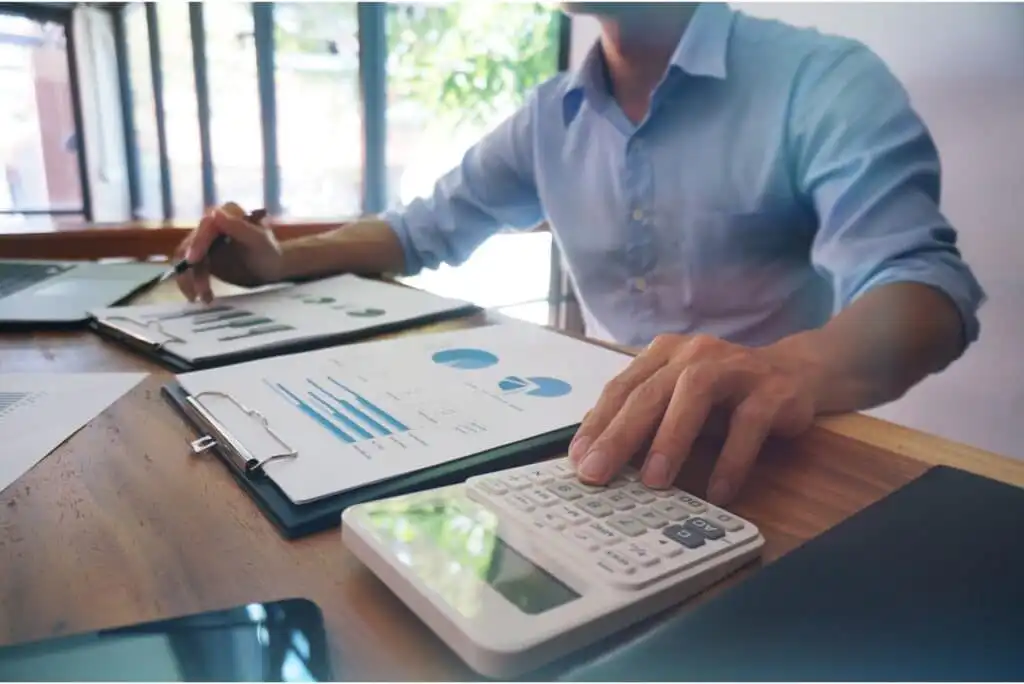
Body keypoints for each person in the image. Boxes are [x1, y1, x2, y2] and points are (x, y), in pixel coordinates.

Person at [175, 3, 984, 506]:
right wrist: (280, 261)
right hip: (593, 448)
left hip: (772, 466)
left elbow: (924, 287)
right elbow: (421, 228)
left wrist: (790, 368)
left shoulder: (824, 79)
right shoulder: (547, 117)